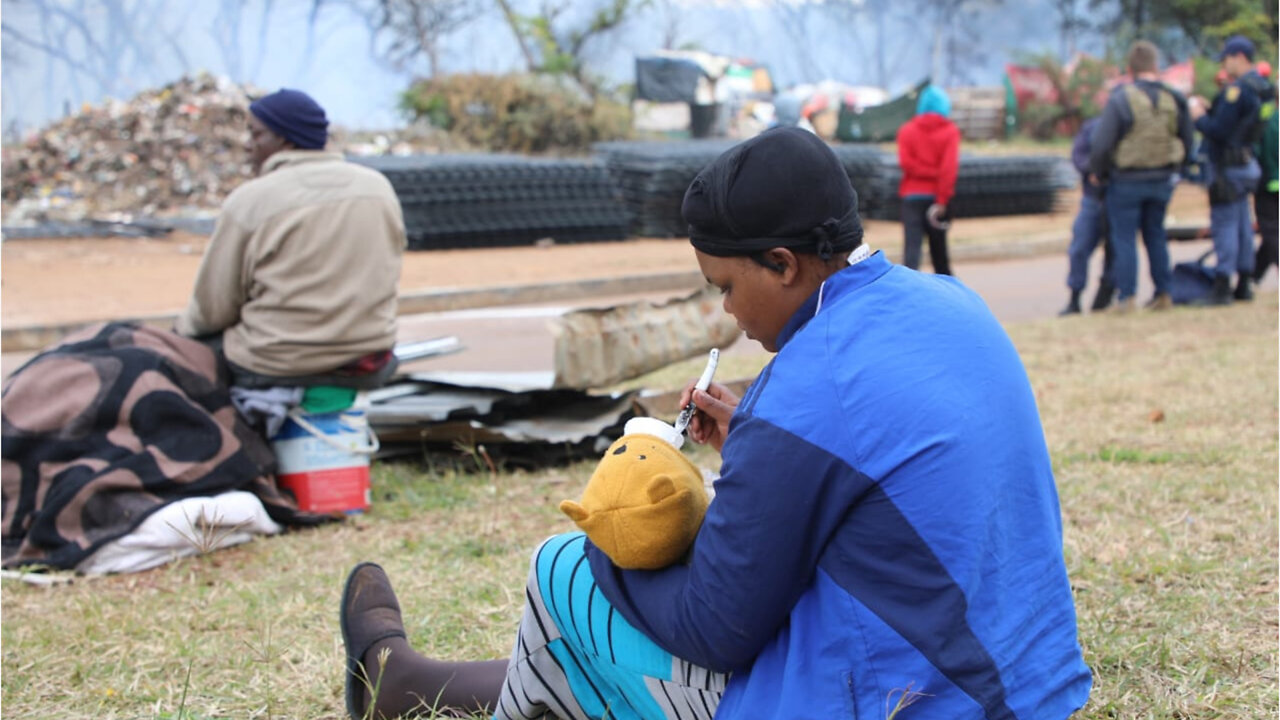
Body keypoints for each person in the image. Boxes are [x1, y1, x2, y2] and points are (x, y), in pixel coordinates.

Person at [338, 127, 1092, 720]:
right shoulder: (949, 302)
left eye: (726, 285)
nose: (727, 310)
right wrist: (755, 448)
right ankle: (413, 687)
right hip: (1025, 684)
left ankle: (409, 686)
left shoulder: (805, 390)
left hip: (912, 701)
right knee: (600, 640)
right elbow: (879, 485)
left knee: (558, 569)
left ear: (783, 262)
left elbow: (715, 628)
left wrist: (610, 545)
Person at [175, 88, 406, 389]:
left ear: (284, 139)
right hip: (368, 362)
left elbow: (213, 309)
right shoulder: (378, 188)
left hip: (277, 366)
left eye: (256, 136)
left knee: (182, 354)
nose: (248, 146)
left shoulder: (252, 200)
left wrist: (178, 334)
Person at [1089, 40, 1195, 313]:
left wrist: (1098, 173)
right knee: (1156, 235)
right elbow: (1187, 138)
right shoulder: (1174, 98)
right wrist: (1180, 168)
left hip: (1127, 180)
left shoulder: (1122, 99)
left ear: (1130, 68)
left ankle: (1127, 297)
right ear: (1155, 66)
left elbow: (1102, 144)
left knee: (1124, 238)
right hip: (1163, 178)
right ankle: (1164, 292)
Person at [1189, 36, 1265, 305]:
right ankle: (1244, 282)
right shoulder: (1262, 86)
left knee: (1225, 225)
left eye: (1227, 58)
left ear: (1240, 57)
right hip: (1247, 163)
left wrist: (1199, 117)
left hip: (1228, 167)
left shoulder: (1237, 91)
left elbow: (1219, 131)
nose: (1225, 63)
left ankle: (1222, 286)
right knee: (1243, 224)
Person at [896, 84, 960, 275]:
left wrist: (923, 172)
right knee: (940, 256)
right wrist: (942, 199)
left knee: (911, 255)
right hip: (936, 200)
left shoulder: (906, 131)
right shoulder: (950, 132)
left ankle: (906, 297)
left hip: (911, 198)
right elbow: (948, 170)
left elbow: (906, 163)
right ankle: (948, 297)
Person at [1061, 116, 1116, 315]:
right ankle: (1074, 298)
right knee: (1079, 249)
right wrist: (1092, 171)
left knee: (1116, 252)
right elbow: (1078, 154)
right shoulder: (1092, 127)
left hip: (1119, 198)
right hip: (1093, 199)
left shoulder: (1129, 127)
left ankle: (1105, 297)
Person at [1253, 80, 1278, 282]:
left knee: (1271, 233)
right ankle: (1254, 275)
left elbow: (1257, 152)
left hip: (1270, 183)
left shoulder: (1267, 120)